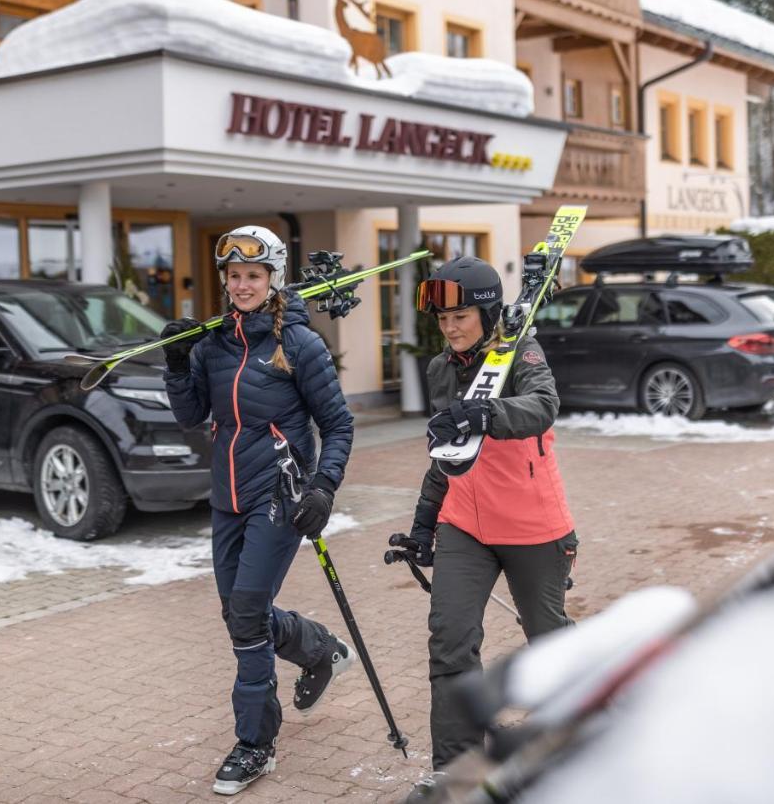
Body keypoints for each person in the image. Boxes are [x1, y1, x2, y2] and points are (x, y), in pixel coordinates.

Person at [161, 225, 357, 796]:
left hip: (281, 492)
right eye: (233, 275)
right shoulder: (214, 341)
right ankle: (318, 647)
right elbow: (192, 415)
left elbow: (338, 423)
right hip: (227, 495)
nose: (241, 284)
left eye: (253, 275)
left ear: (273, 279)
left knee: (247, 609)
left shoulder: (299, 344)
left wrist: (324, 487)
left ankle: (255, 743)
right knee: (236, 612)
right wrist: (177, 365)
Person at [393, 254, 579, 801]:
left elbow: (543, 406)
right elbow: (445, 453)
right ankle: (454, 773)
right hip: (464, 525)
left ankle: (574, 736)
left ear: (488, 310)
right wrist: (424, 525)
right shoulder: (439, 368)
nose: (449, 327)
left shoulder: (522, 353)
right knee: (450, 642)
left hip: (533, 525)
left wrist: (485, 414)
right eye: (442, 318)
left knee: (547, 641)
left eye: (461, 316)